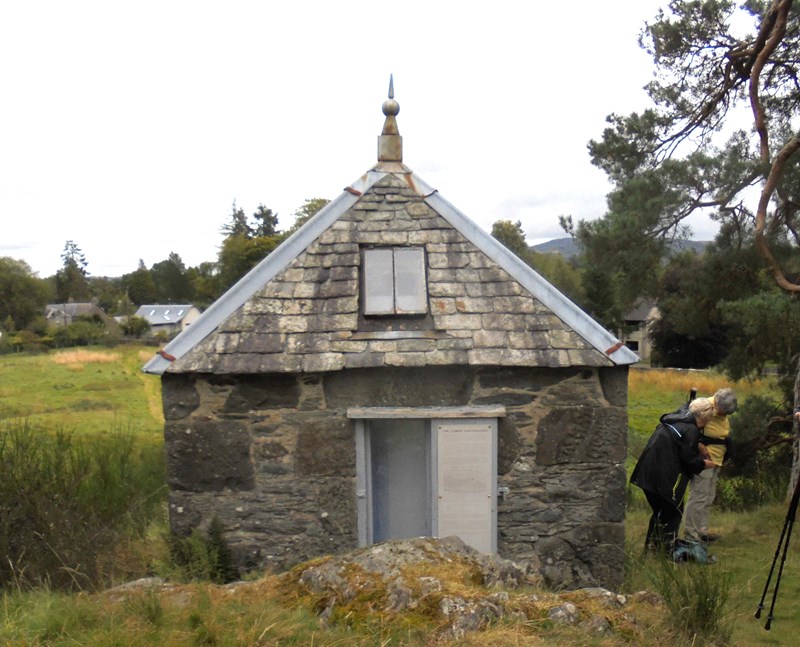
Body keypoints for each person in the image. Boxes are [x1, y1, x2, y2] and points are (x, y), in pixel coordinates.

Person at [631, 398, 716, 555]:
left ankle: (653, 548)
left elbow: (679, 443)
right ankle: (665, 550)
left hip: (646, 471)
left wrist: (698, 445)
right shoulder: (691, 429)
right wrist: (704, 464)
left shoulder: (678, 418)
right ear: (704, 418)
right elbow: (689, 460)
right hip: (662, 475)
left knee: (661, 511)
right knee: (673, 511)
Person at [683, 388, 738, 544]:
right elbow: (688, 430)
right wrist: (700, 446)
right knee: (698, 498)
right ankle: (691, 535)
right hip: (704, 460)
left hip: (716, 459)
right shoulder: (704, 408)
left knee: (708, 497)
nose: (724, 415)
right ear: (717, 405)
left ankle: (702, 531)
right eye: (723, 412)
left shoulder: (722, 408)